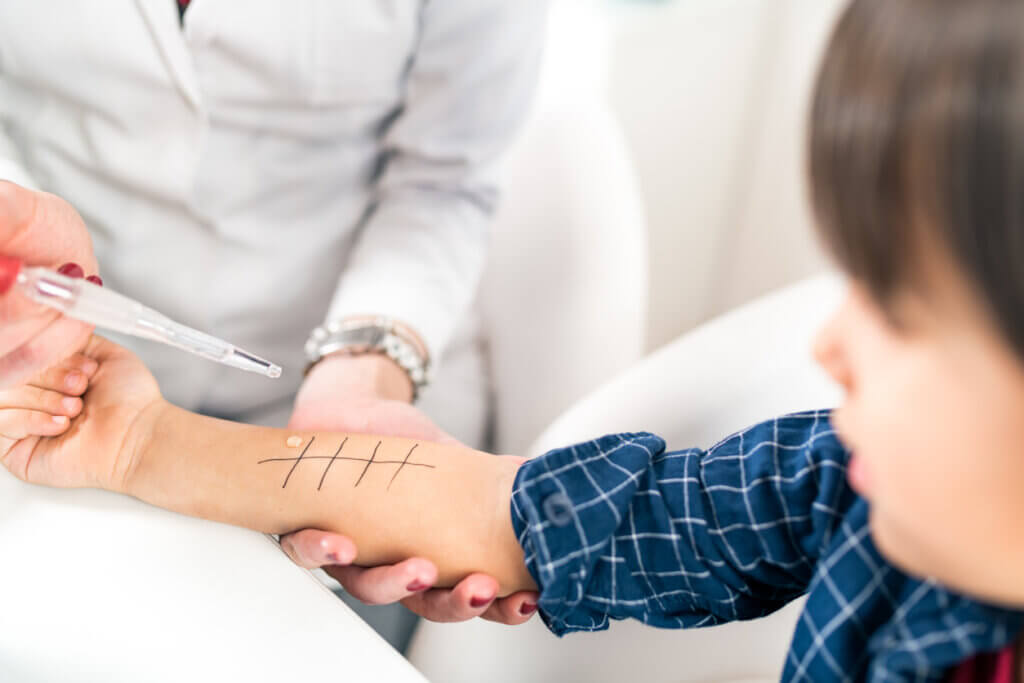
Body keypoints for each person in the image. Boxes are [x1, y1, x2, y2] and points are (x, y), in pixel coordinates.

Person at [10, 0, 1024, 678]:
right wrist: (139, 441)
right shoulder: (837, 481)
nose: (829, 342)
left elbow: (443, 181)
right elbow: (516, 515)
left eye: (904, 311)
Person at [0, 0, 547, 637]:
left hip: (352, 372)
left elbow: (444, 181)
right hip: (62, 377)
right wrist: (14, 222)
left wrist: (364, 368)